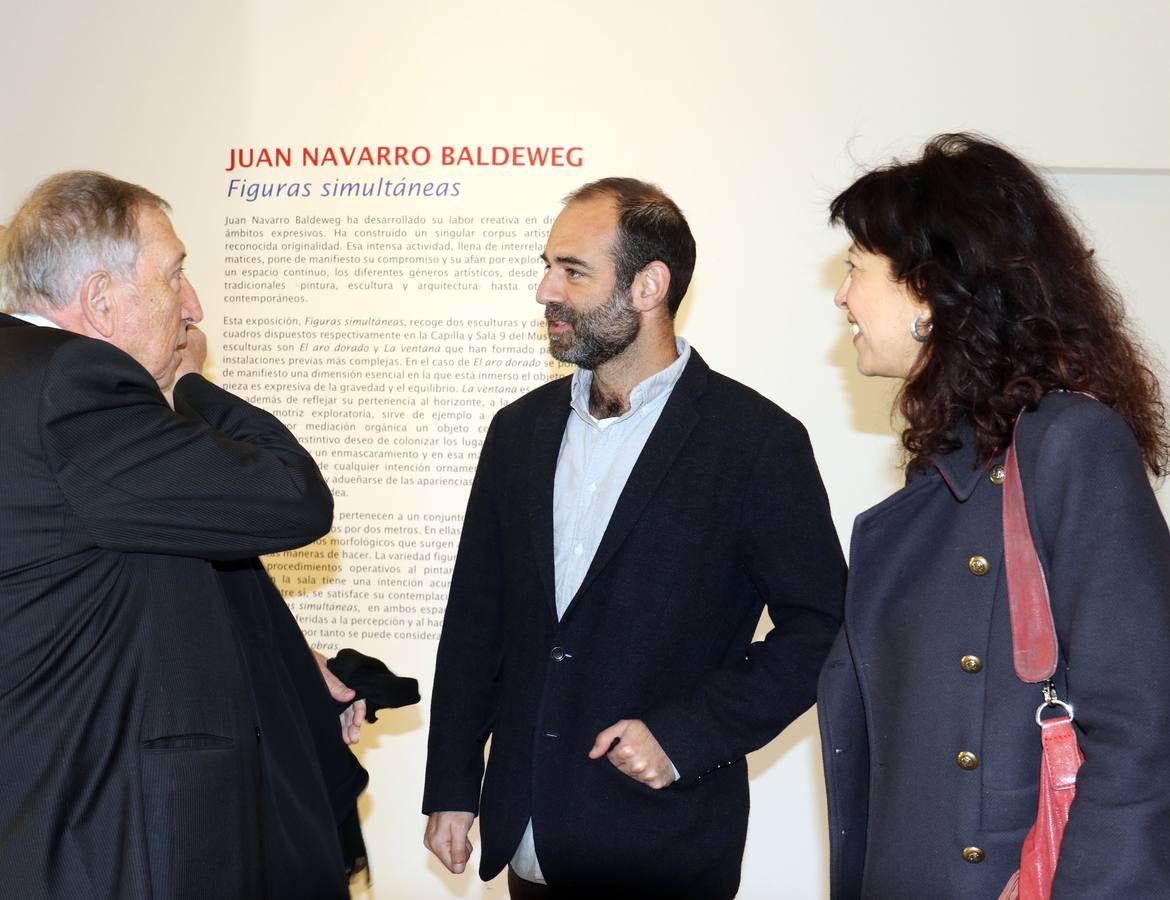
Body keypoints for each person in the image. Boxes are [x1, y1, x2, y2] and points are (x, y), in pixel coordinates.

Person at [423, 177, 845, 898]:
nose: (545, 291)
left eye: (573, 271)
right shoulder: (518, 432)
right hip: (525, 842)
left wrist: (687, 736)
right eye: (548, 267)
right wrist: (453, 784)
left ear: (649, 286)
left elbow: (823, 626)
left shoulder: (754, 442)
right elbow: (475, 621)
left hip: (663, 844)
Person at [818, 133, 1170, 897]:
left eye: (856, 268)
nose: (842, 297)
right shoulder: (956, 465)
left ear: (928, 291)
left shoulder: (1069, 443)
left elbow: (1141, 726)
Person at [0, 171, 367, 899]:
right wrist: (193, 387)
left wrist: (277, 661)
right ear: (101, 300)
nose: (193, 306)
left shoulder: (24, 384)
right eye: (173, 276)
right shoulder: (72, 383)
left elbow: (100, 572)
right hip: (103, 830)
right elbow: (292, 498)